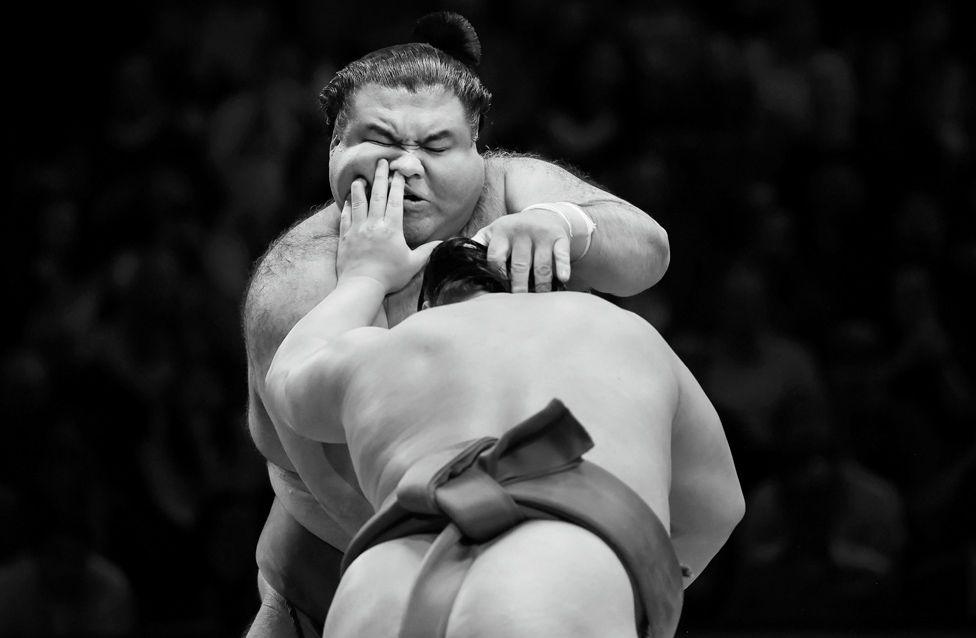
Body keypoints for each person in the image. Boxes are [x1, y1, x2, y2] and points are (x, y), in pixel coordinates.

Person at [243, 12, 672, 635]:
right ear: (334, 145)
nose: (408, 166)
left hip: (527, 546)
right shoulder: (303, 282)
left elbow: (649, 252)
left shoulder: (508, 187)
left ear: (478, 148)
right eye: (381, 141)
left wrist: (564, 222)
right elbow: (341, 484)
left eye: (437, 146)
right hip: (343, 571)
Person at [262, 174, 743, 637]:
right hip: (559, 564)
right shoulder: (628, 334)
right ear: (558, 287)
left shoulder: (388, 348)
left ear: (433, 302)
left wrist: (364, 277)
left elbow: (286, 377)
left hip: (388, 576)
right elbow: (717, 510)